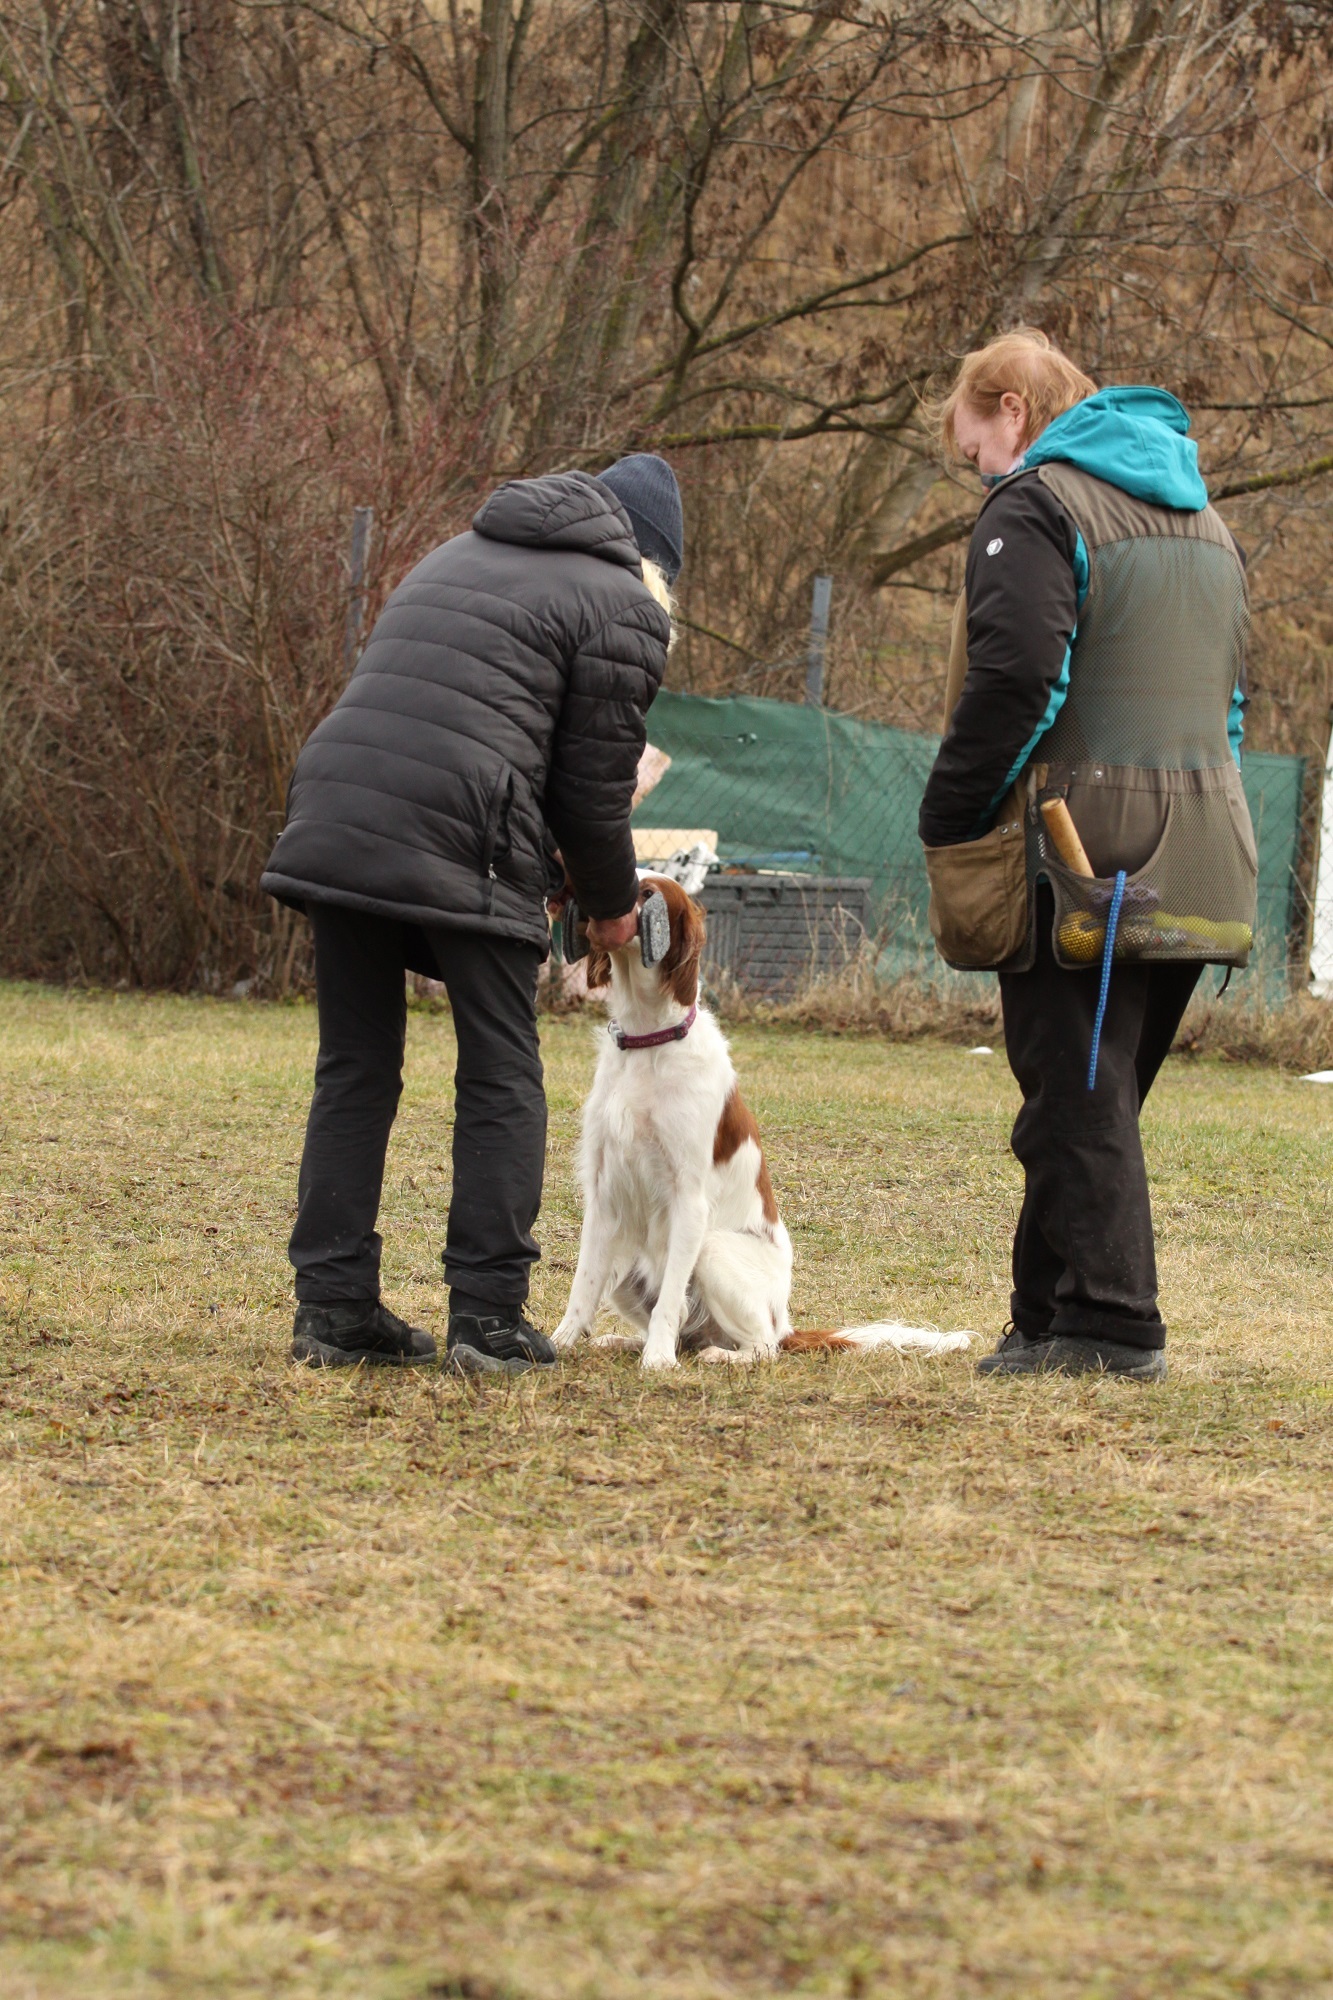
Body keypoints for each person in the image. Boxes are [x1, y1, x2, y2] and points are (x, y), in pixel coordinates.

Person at [261, 454, 682, 1374]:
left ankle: (332, 1310)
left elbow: (475, 719)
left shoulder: (458, 552)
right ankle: (488, 1319)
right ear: (652, 559)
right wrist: (612, 909)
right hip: (461, 827)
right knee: (500, 1069)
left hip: (337, 807)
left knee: (354, 1065)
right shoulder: (623, 602)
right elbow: (590, 791)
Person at [919, 330, 1256, 1381]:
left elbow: (1020, 678)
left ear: (1012, 412)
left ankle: (1113, 1324)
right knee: (1087, 1097)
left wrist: (953, 811)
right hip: (1205, 846)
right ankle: (1045, 1318)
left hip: (1078, 849)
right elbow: (1228, 707)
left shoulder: (1035, 506)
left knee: (1074, 1095)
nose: (978, 472)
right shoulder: (1207, 527)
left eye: (973, 448)